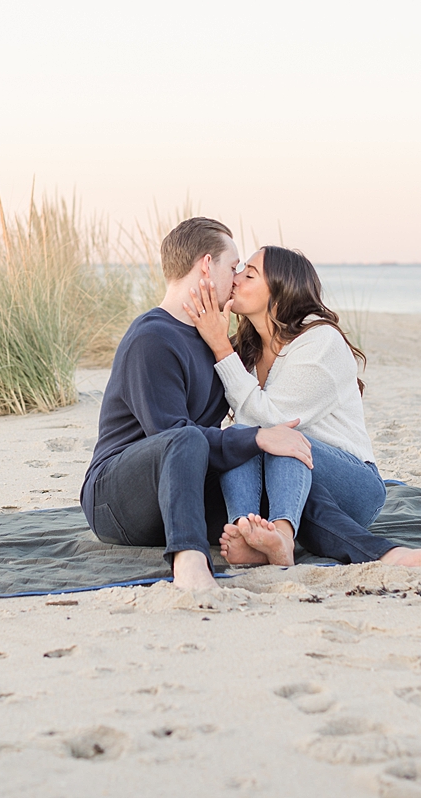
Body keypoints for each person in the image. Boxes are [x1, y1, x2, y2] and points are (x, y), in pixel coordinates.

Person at [182, 245, 421, 573]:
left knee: (283, 439)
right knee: (240, 440)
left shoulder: (321, 342)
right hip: (288, 490)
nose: (235, 280)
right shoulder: (246, 350)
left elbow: (274, 422)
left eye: (249, 274)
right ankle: (251, 535)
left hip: (351, 483)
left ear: (281, 290)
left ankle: (280, 534)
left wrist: (219, 344)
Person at [80, 218, 316, 592]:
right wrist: (255, 437)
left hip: (184, 491)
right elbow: (171, 437)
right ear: (207, 265)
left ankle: (382, 552)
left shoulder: (214, 339)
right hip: (116, 500)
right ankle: (188, 560)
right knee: (186, 439)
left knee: (270, 503)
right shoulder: (151, 338)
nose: (237, 277)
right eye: (233, 266)